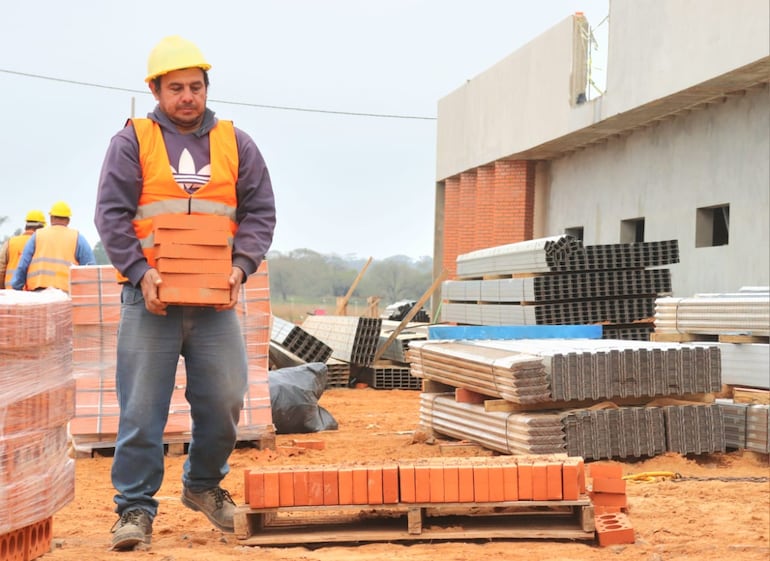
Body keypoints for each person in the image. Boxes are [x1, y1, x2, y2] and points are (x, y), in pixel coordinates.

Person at [94, 35, 276, 551]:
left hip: (215, 302)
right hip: (148, 299)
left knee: (224, 400)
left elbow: (260, 212)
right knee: (141, 410)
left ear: (206, 88)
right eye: (176, 88)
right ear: (155, 90)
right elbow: (111, 213)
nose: (187, 97)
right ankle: (134, 508)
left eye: (195, 87)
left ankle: (201, 484)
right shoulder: (133, 140)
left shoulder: (236, 143)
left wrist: (242, 267)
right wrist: (137, 271)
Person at [11, 201, 96, 292]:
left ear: (51, 218)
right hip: (66, 293)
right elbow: (90, 268)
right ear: (68, 221)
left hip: (38, 291)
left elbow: (23, 264)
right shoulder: (77, 238)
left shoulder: (37, 235)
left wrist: (17, 286)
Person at [0, 209, 47, 289]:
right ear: (41, 227)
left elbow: (1, 270)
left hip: (10, 294)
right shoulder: (43, 244)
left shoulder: (10, 243)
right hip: (34, 295)